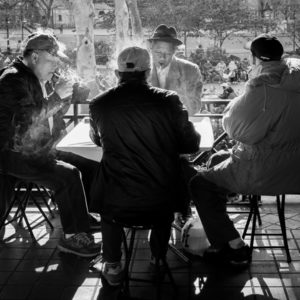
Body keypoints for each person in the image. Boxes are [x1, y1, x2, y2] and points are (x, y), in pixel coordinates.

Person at [89, 46, 200, 286]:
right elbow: (190, 144)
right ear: (148, 72)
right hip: (160, 197)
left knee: (109, 213)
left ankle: (112, 265)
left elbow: (97, 139)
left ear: (118, 73)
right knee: (162, 211)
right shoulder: (168, 100)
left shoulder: (99, 103)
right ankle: (158, 259)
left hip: (117, 197)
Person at [190, 34, 300, 267]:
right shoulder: (293, 77)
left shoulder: (265, 87)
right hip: (294, 168)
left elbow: (236, 129)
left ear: (255, 59)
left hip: (264, 170)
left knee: (199, 184)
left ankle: (234, 247)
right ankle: (222, 239)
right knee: (218, 159)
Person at [0, 32, 101, 257]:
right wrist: (57, 96)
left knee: (91, 165)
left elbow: (49, 119)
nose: (56, 64)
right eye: (52, 58)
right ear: (35, 57)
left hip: (39, 149)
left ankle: (81, 218)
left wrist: (70, 97)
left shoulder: (38, 78)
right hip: (15, 154)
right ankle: (73, 238)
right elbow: (29, 120)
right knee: (69, 174)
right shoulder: (12, 79)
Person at [148, 24, 203, 116]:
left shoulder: (190, 70)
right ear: (151, 48)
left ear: (174, 52)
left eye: (168, 53)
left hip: (177, 126)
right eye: (158, 52)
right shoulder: (140, 69)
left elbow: (194, 106)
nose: (162, 57)